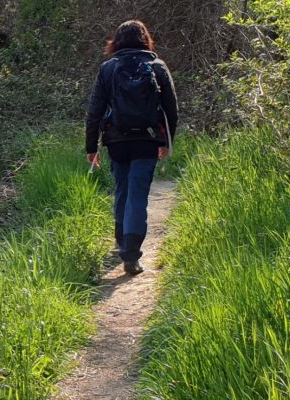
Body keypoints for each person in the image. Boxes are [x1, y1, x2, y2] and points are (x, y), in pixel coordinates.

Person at [86, 19, 178, 275]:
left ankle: (121, 240)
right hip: (146, 140)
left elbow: (95, 111)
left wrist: (91, 146)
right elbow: (171, 110)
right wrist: (166, 143)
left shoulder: (108, 69)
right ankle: (131, 255)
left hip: (116, 141)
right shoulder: (157, 66)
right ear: (145, 40)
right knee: (137, 194)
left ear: (116, 42)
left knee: (122, 189)